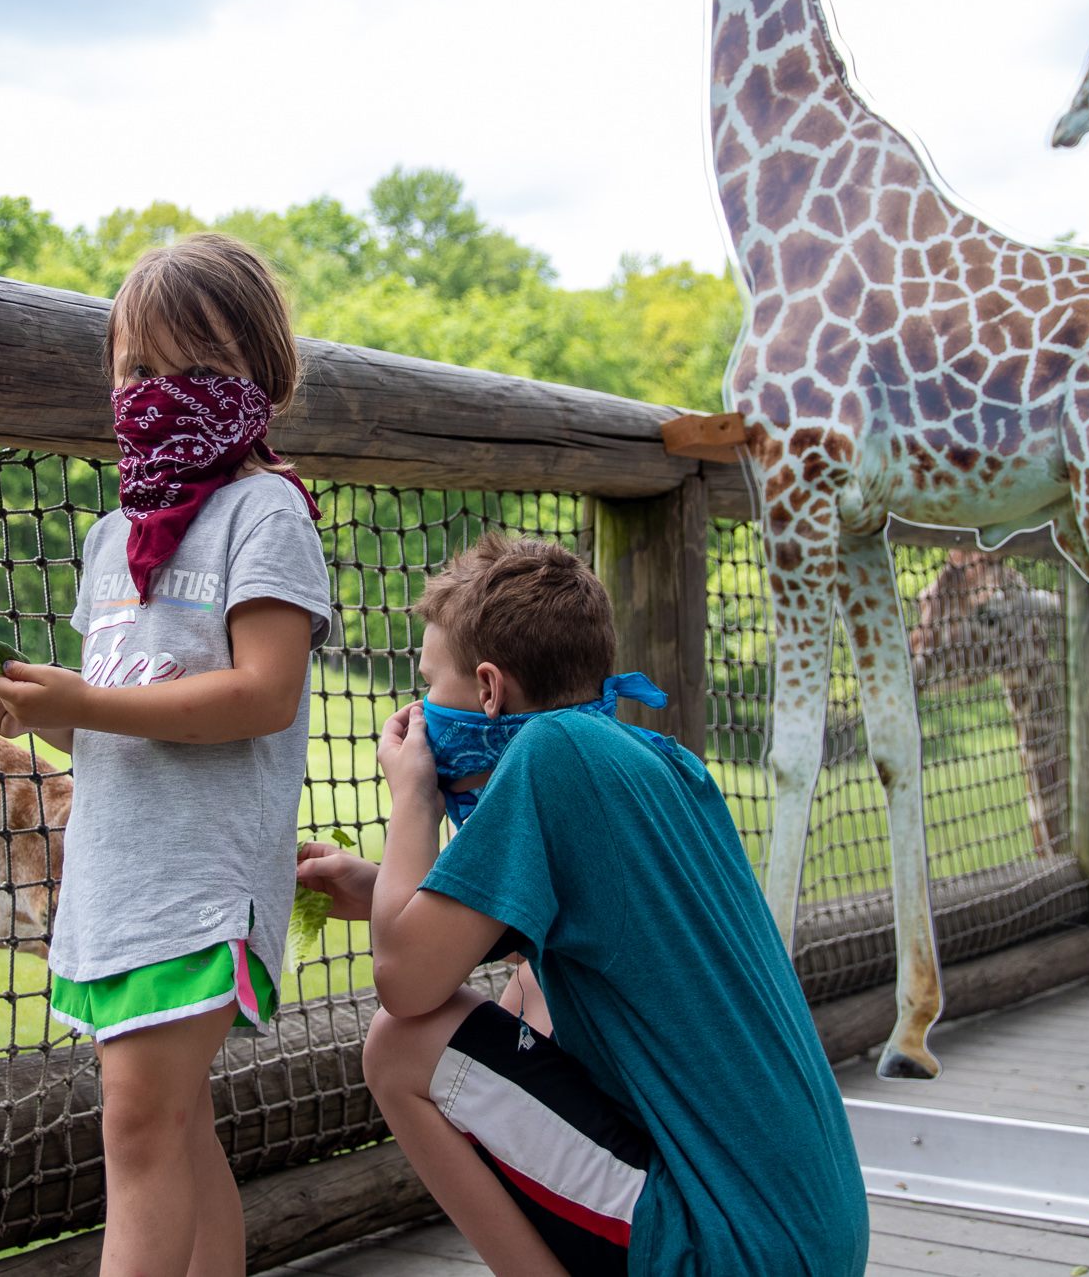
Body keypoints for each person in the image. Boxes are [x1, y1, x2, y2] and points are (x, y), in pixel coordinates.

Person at [296, 534, 869, 1276]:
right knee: (531, 983)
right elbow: (528, 928)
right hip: (813, 1235)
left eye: (429, 683)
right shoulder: (658, 759)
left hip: (731, 1245)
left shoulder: (549, 756)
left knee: (400, 1044)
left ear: (489, 690)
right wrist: (377, 887)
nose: (419, 711)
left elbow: (404, 979)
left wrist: (414, 797)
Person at [0, 231, 333, 1277]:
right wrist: (46, 709)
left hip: (201, 880)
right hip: (116, 876)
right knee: (172, 1127)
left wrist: (88, 701)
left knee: (137, 1125)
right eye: (137, 369)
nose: (159, 392)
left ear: (260, 377)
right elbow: (126, 708)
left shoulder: (263, 512)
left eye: (197, 371)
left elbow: (263, 695)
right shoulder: (108, 539)